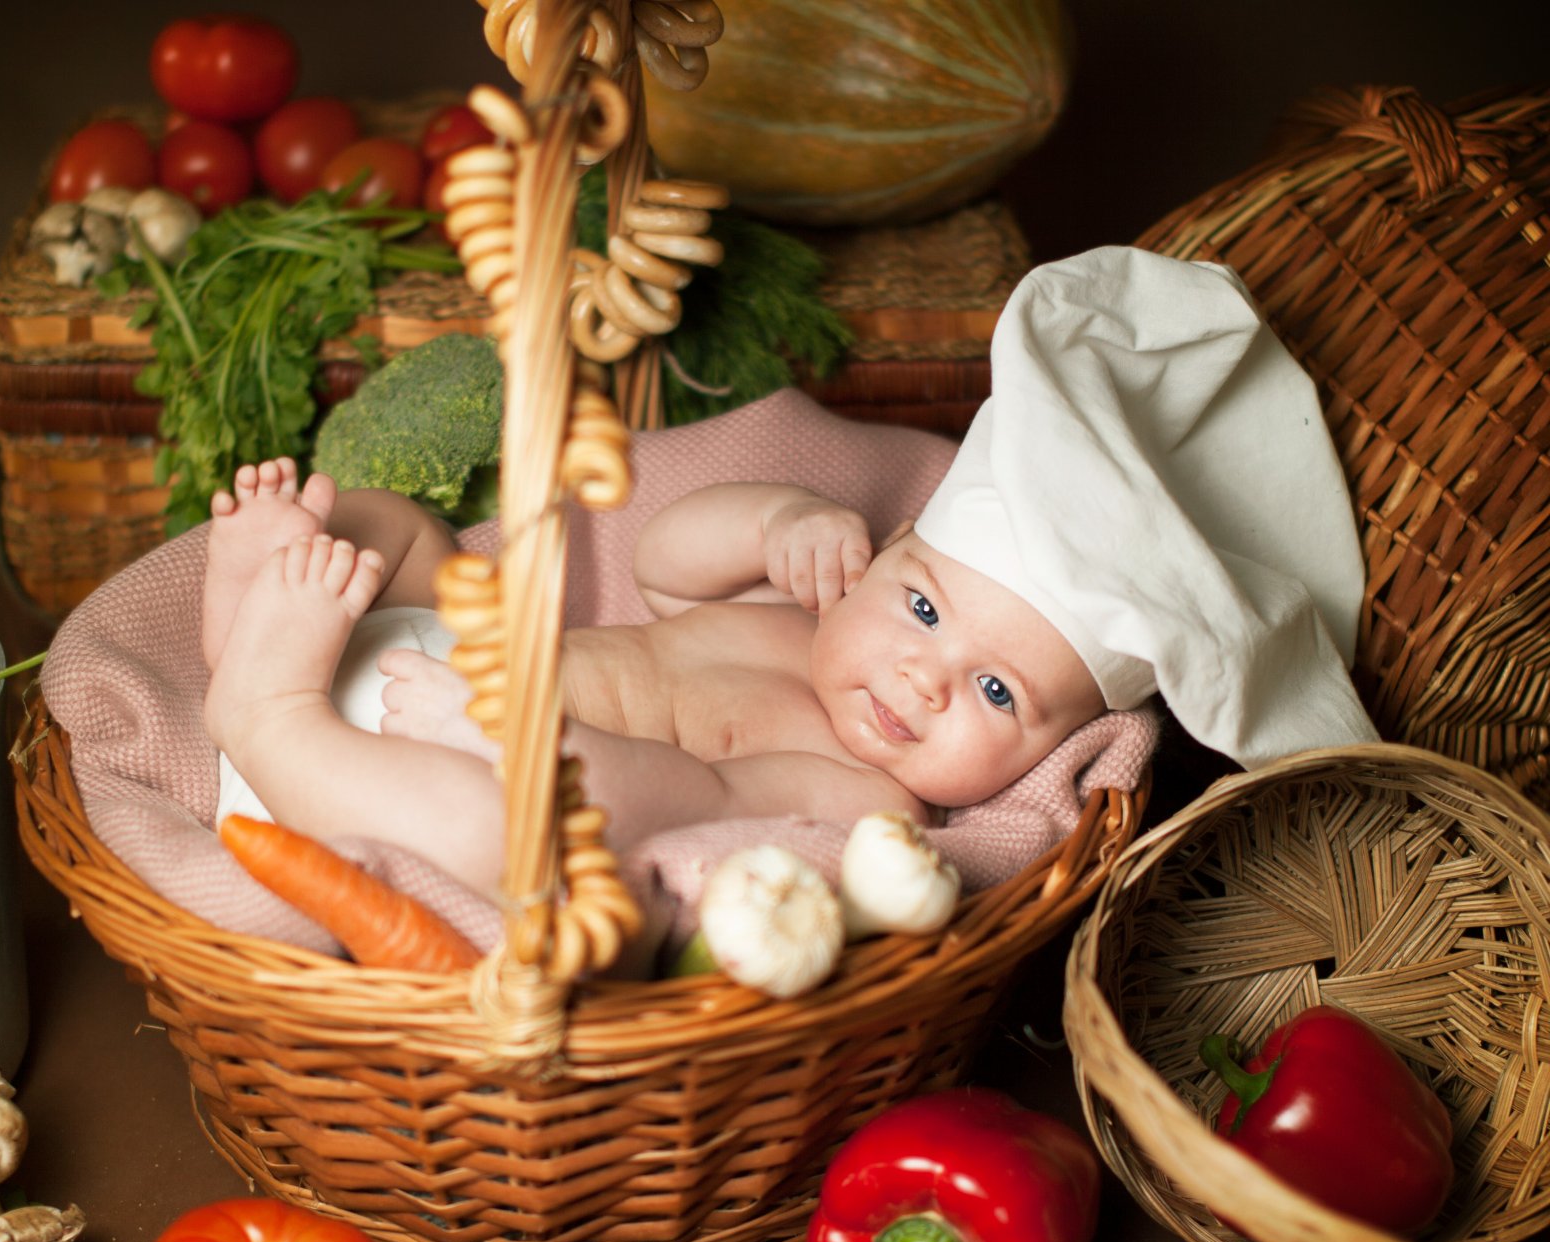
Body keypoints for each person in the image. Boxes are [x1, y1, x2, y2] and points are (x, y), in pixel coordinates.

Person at [200, 246, 1382, 896]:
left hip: (435, 780)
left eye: (997, 694)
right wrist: (776, 522)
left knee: (494, 838)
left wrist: (533, 755)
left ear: (1043, 752)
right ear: (882, 562)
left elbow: (693, 806)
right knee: (403, 533)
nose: (924, 678)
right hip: (406, 654)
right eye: (923, 608)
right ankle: (261, 586)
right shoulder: (792, 616)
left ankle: (258, 706)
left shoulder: (874, 802)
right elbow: (661, 559)